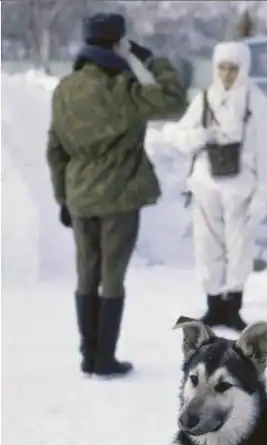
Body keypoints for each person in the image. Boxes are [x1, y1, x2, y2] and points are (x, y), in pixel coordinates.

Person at [46, 12, 187, 378]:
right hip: (120, 195)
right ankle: (106, 358)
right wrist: (152, 61)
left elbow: (55, 149)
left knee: (85, 273)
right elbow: (174, 101)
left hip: (79, 195)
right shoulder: (124, 88)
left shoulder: (64, 90)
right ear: (117, 44)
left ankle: (88, 354)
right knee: (112, 277)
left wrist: (62, 198)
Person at [172, 41, 267, 331]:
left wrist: (264, 193)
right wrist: (199, 136)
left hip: (242, 187)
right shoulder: (205, 98)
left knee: (239, 247)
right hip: (207, 183)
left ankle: (233, 305)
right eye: (222, 67)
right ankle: (213, 303)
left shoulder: (259, 104)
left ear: (243, 68)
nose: (227, 74)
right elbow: (179, 135)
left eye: (233, 68)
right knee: (206, 245)